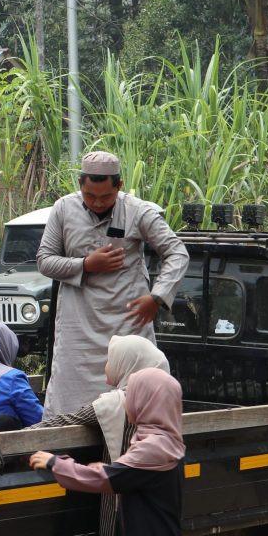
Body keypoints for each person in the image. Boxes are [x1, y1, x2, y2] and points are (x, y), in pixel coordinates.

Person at [30, 368, 213, 536]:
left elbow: (102, 479)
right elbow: (128, 474)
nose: (127, 402)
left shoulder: (154, 448)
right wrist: (113, 469)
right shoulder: (162, 439)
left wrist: (56, 463)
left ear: (148, 400)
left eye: (132, 395)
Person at [26, 334, 169, 536]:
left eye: (111, 359)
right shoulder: (165, 398)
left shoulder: (118, 401)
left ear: (128, 364)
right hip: (157, 506)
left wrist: (19, 435)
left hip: (119, 500)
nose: (107, 365)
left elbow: (66, 421)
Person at [37, 150, 189, 415]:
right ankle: (69, 453)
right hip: (78, 329)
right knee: (70, 403)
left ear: (119, 186)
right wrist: (85, 264)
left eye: (105, 196)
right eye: (89, 196)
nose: (97, 203)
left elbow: (177, 252)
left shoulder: (138, 211)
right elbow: (44, 260)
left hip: (128, 322)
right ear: (80, 185)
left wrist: (157, 297)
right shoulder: (63, 208)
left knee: (135, 402)